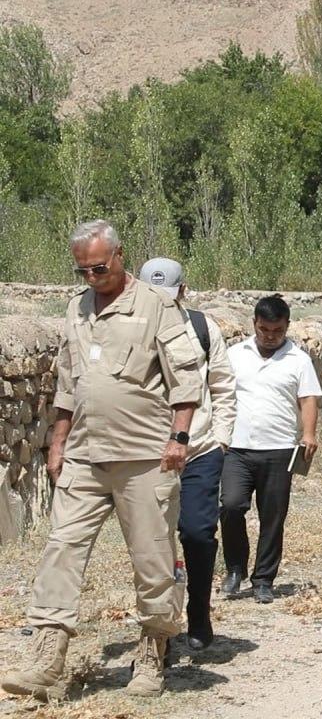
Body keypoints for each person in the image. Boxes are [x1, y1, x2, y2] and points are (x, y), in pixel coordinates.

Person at [2, 221, 202, 701]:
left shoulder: (157, 307)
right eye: (82, 270)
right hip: (85, 456)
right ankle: (46, 657)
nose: (91, 277)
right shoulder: (77, 309)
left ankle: (153, 653)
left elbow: (186, 379)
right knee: (61, 549)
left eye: (98, 267)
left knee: (153, 559)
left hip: (144, 457)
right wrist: (58, 440)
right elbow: (69, 382)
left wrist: (179, 437)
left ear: (119, 256)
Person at [138, 258, 236, 651]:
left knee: (197, 533)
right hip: (150, 453)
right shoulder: (132, 329)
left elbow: (224, 386)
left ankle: (199, 609)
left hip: (199, 448)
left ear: (182, 290)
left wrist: (223, 438)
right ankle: (160, 624)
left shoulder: (201, 328)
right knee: (154, 541)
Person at [220, 296, 322, 604]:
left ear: (287, 327)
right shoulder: (234, 354)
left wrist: (309, 433)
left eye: (276, 330)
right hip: (236, 448)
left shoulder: (298, 360)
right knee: (231, 505)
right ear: (254, 324)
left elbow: (308, 399)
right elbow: (219, 392)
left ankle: (264, 578)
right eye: (264, 329)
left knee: (273, 516)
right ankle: (235, 568)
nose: (269, 335)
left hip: (278, 450)